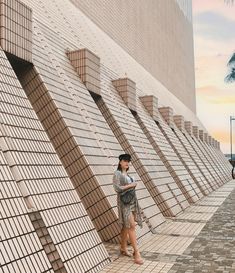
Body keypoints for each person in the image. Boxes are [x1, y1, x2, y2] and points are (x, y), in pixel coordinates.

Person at [112, 153, 144, 265]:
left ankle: (123, 248)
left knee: (127, 226)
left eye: (128, 161)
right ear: (120, 161)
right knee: (131, 225)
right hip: (124, 203)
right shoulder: (117, 173)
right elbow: (117, 188)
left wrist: (132, 184)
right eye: (125, 160)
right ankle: (137, 252)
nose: (127, 163)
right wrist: (131, 185)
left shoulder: (128, 174)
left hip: (132, 202)